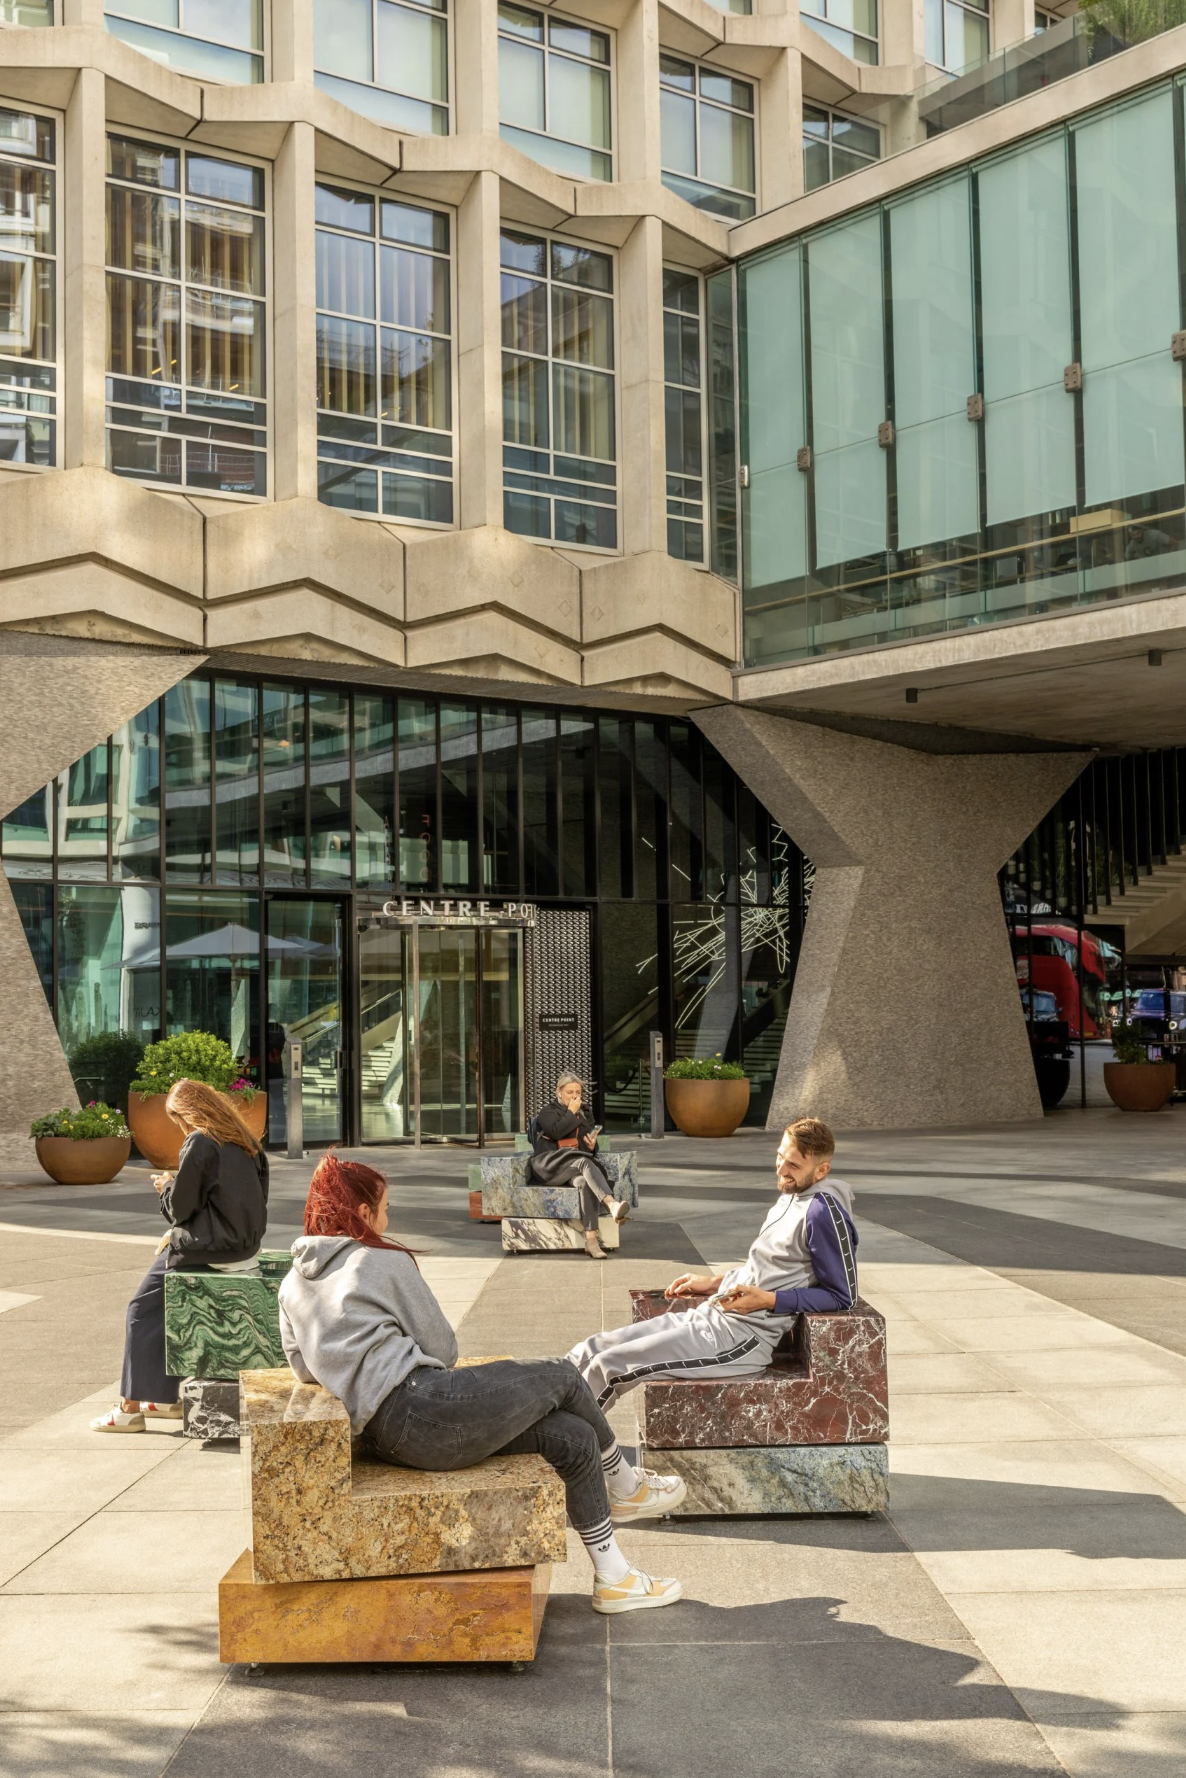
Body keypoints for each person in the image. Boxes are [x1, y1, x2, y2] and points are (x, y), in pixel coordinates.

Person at [278, 1153, 685, 1615]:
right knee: (562, 1374)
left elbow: (304, 1369)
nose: (389, 1218)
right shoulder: (374, 1259)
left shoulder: (292, 1284)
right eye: (385, 1208)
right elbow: (444, 1348)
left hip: (386, 1439)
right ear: (364, 1213)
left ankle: (615, 1578)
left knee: (571, 1438)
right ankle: (627, 1486)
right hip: (424, 1405)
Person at [567, 1117, 857, 1408]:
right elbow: (769, 1268)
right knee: (592, 1348)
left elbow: (842, 1296)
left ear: (822, 1170)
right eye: (780, 1157)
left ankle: (567, 1445)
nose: (781, 1170)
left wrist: (768, 1300)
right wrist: (716, 1282)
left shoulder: (823, 1213)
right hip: (713, 1315)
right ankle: (534, 1406)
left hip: (741, 1339)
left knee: (608, 1367)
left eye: (794, 1166)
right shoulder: (790, 1197)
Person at [91, 1077, 269, 1433]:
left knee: (141, 1310)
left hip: (207, 1247)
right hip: (244, 1247)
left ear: (189, 1113)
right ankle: (163, 1398)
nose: (180, 1127)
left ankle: (128, 1409)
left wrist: (166, 1186)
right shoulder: (248, 1141)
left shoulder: (201, 1141)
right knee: (163, 1308)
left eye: (178, 1119)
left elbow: (180, 1210)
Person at [529, 1071, 628, 1260]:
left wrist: (592, 1145)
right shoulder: (547, 1112)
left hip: (573, 1165)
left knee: (584, 1182)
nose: (575, 1096)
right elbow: (556, 1132)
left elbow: (585, 1148)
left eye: (578, 1092)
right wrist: (571, 1112)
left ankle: (591, 1241)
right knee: (583, 1161)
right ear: (559, 1091)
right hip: (550, 1165)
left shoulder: (585, 1112)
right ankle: (612, 1204)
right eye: (570, 1092)